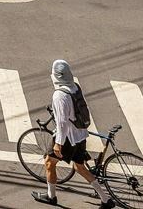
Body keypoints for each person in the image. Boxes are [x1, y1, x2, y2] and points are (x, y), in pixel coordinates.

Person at [36, 58, 109, 205]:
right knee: (79, 167)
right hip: (81, 135)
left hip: (68, 138)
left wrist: (58, 144)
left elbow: (62, 123)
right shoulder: (75, 87)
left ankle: (51, 197)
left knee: (49, 163)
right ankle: (106, 200)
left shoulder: (59, 95)